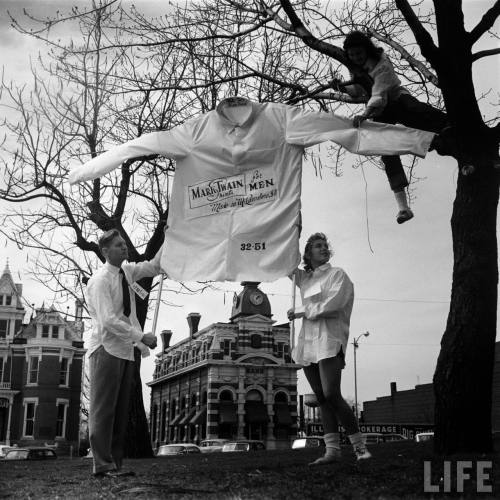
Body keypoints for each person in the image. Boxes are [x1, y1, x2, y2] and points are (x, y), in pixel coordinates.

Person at [338, 31, 450, 224]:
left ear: (367, 49)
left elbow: (380, 92)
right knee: (387, 150)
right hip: (379, 111)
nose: (356, 57)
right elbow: (358, 91)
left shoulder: (381, 62)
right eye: (352, 54)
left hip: (395, 99)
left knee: (416, 110)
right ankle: (403, 207)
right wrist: (342, 88)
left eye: (359, 53)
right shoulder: (355, 69)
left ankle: (448, 125)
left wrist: (365, 115)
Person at [288, 232, 371, 465]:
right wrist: (291, 229)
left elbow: (334, 305)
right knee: (322, 399)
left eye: (325, 245)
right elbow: (285, 260)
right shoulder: (304, 279)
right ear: (308, 253)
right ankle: (332, 451)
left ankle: (360, 448)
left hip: (329, 339)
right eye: (318, 246)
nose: (324, 248)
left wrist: (301, 311)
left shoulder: (338, 274)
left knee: (332, 393)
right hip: (308, 343)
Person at [86, 229, 163, 478]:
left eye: (124, 245)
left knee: (120, 413)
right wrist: (141, 337)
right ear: (105, 251)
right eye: (118, 246)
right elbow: (108, 320)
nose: (124, 248)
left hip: (125, 351)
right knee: (103, 410)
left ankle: (114, 465)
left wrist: (171, 238)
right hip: (105, 348)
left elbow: (153, 266)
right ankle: (102, 464)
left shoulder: (127, 272)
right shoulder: (100, 280)